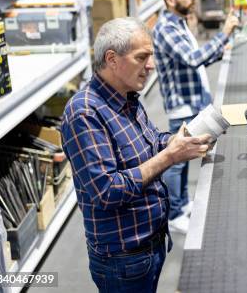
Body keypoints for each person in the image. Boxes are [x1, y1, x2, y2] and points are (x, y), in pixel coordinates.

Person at [61, 18, 211, 292]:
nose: (151, 66)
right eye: (141, 57)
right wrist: (170, 157)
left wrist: (182, 141)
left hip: (150, 245)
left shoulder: (128, 98)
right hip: (123, 260)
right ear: (112, 59)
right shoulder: (84, 113)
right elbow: (107, 190)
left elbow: (152, 143)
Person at [153, 0, 239, 234]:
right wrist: (223, 34)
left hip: (194, 100)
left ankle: (181, 203)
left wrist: (217, 52)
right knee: (177, 159)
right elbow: (192, 58)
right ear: (171, 0)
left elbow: (194, 61)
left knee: (186, 157)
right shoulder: (166, 28)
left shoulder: (179, 23)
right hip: (182, 105)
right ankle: (174, 214)